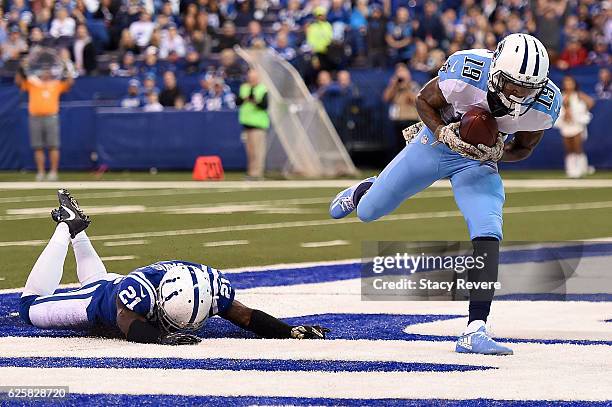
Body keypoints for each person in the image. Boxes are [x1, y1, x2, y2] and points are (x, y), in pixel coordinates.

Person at [328, 33, 562, 355]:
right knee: (369, 211)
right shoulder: (467, 71)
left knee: (488, 227)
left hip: (478, 161)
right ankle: (364, 190)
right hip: (436, 144)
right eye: (512, 85)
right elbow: (422, 101)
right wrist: (442, 132)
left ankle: (475, 327)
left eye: (527, 89)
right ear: (495, 72)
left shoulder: (545, 103)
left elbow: (522, 149)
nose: (519, 95)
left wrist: (494, 152)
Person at [19, 190, 329, 344]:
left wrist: (290, 331)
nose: (178, 328)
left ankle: (78, 229)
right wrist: (160, 338)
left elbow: (246, 317)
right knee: (29, 306)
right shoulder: (137, 292)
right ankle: (65, 226)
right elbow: (126, 322)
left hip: (110, 281)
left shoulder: (208, 287)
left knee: (98, 278)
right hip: (98, 301)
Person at [15, 57, 74, 181]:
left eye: (48, 71)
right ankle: (41, 172)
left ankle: (53, 172)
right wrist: (21, 68)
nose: (46, 73)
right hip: (35, 117)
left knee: (53, 145)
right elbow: (19, 82)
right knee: (38, 146)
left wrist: (68, 66)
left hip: (51, 117)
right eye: (43, 71)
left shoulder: (56, 84)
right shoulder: (33, 83)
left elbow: (69, 83)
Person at [554, 75, 594, 178]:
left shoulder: (579, 95)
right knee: (568, 148)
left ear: (574, 84)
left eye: (570, 82)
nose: (568, 84)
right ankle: (571, 170)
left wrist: (583, 111)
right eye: (566, 82)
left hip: (577, 125)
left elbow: (591, 102)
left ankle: (582, 168)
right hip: (566, 125)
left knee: (577, 147)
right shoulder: (561, 96)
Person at [237, 69, 270, 180]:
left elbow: (265, 105)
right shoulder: (244, 87)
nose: (252, 79)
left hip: (258, 124)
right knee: (250, 151)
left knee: (258, 151)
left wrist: (254, 101)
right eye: (250, 77)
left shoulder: (262, 89)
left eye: (254, 77)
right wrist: (244, 99)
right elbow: (238, 101)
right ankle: (251, 172)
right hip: (246, 124)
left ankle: (258, 173)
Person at [382, 63, 420, 154]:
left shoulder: (413, 85)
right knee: (397, 147)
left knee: (410, 147)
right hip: (397, 120)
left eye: (403, 72)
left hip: (411, 120)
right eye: (398, 72)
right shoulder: (394, 87)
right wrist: (393, 85)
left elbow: (416, 101)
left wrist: (406, 86)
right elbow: (386, 98)